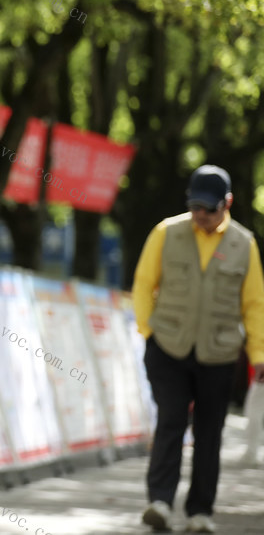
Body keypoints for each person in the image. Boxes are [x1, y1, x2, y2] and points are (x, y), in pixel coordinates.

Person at [133, 164, 264, 533]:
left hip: (219, 354)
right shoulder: (166, 232)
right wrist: (148, 333)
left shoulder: (244, 244)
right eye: (195, 207)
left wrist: (259, 355)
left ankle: (199, 512)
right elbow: (144, 284)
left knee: (210, 431)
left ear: (228, 203)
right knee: (172, 420)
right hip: (168, 348)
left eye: (209, 208)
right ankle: (159, 501)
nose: (201, 215)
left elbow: (255, 304)